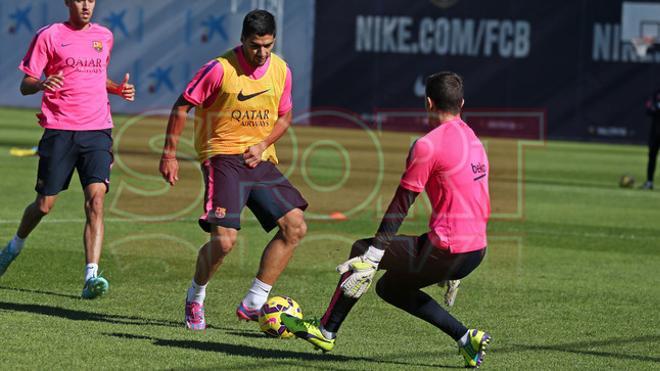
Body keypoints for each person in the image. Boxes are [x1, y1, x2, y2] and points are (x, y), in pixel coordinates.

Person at [282, 72, 492, 368]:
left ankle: (327, 329)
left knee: (361, 249)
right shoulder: (474, 140)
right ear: (462, 104)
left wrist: (375, 254)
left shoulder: (427, 145)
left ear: (428, 103)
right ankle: (464, 337)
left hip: (448, 250)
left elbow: (401, 203)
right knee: (390, 288)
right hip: (476, 251)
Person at [159, 9, 307, 330]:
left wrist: (263, 143)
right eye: (255, 45)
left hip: (260, 158)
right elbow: (182, 105)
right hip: (221, 156)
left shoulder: (281, 70)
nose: (262, 52)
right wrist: (169, 154)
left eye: (268, 45)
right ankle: (195, 297)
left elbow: (284, 117)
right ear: (242, 40)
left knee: (295, 227)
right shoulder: (218, 69)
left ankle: (254, 303)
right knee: (225, 242)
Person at [0, 0, 135, 299]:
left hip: (98, 129)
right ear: (67, 2)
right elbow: (26, 84)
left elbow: (97, 77)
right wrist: (42, 84)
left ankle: (91, 276)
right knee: (45, 205)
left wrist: (117, 88)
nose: (86, 5)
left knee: (96, 200)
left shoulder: (104, 36)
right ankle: (13, 248)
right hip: (60, 129)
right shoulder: (49, 35)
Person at [642, 88, 660, 190]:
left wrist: (655, 108)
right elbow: (649, 110)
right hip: (655, 132)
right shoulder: (657, 92)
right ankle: (649, 182)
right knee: (652, 157)